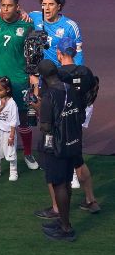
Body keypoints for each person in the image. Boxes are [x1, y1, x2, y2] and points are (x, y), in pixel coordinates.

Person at [35, 38, 100, 218]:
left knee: (51, 166)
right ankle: (90, 200)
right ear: (75, 52)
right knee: (78, 159)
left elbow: (45, 101)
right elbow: (92, 92)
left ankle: (56, 207)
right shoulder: (86, 72)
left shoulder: (57, 75)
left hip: (58, 125)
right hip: (77, 121)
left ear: (58, 53)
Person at [0, 0, 38, 171]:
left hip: (19, 79)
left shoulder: (27, 24)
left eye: (10, 5)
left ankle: (27, 153)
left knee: (22, 117)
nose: (6, 9)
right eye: (3, 5)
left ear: (17, 7)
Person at [35, 59, 84, 242]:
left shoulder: (48, 97)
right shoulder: (70, 88)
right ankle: (64, 221)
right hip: (74, 142)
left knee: (59, 184)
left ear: (42, 77)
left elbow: (46, 126)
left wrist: (38, 108)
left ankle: (65, 228)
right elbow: (80, 114)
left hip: (57, 146)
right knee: (67, 183)